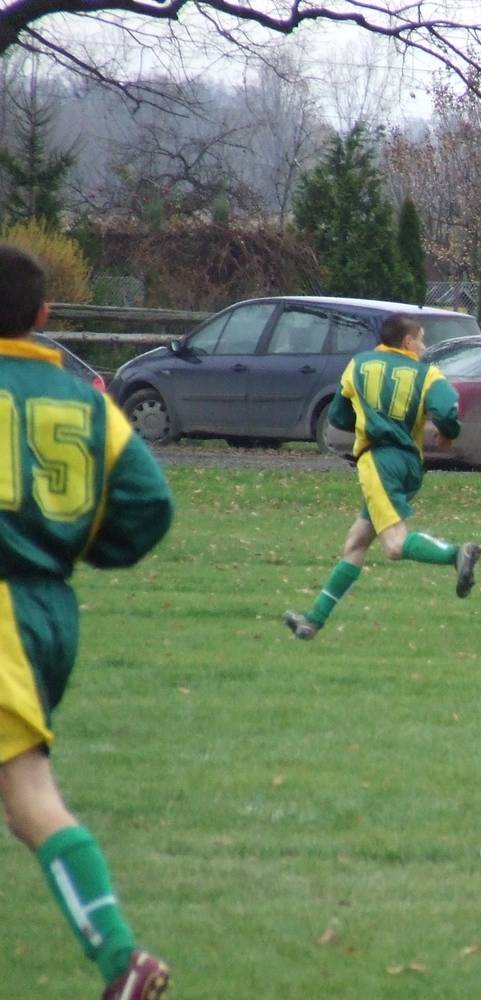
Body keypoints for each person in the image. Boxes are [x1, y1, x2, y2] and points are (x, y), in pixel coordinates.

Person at [0, 244, 175, 999]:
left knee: (31, 799)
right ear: (44, 314)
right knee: (23, 801)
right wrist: (72, 543)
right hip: (46, 612)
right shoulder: (87, 403)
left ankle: (122, 960)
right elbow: (149, 505)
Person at [283, 314, 481, 640]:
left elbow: (338, 416)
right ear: (407, 342)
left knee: (394, 545)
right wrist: (448, 432)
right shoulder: (427, 374)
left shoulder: (358, 365)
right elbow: (448, 411)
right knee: (356, 543)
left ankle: (456, 554)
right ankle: (312, 622)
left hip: (379, 462)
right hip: (410, 465)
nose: (424, 347)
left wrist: (370, 419)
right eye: (422, 340)